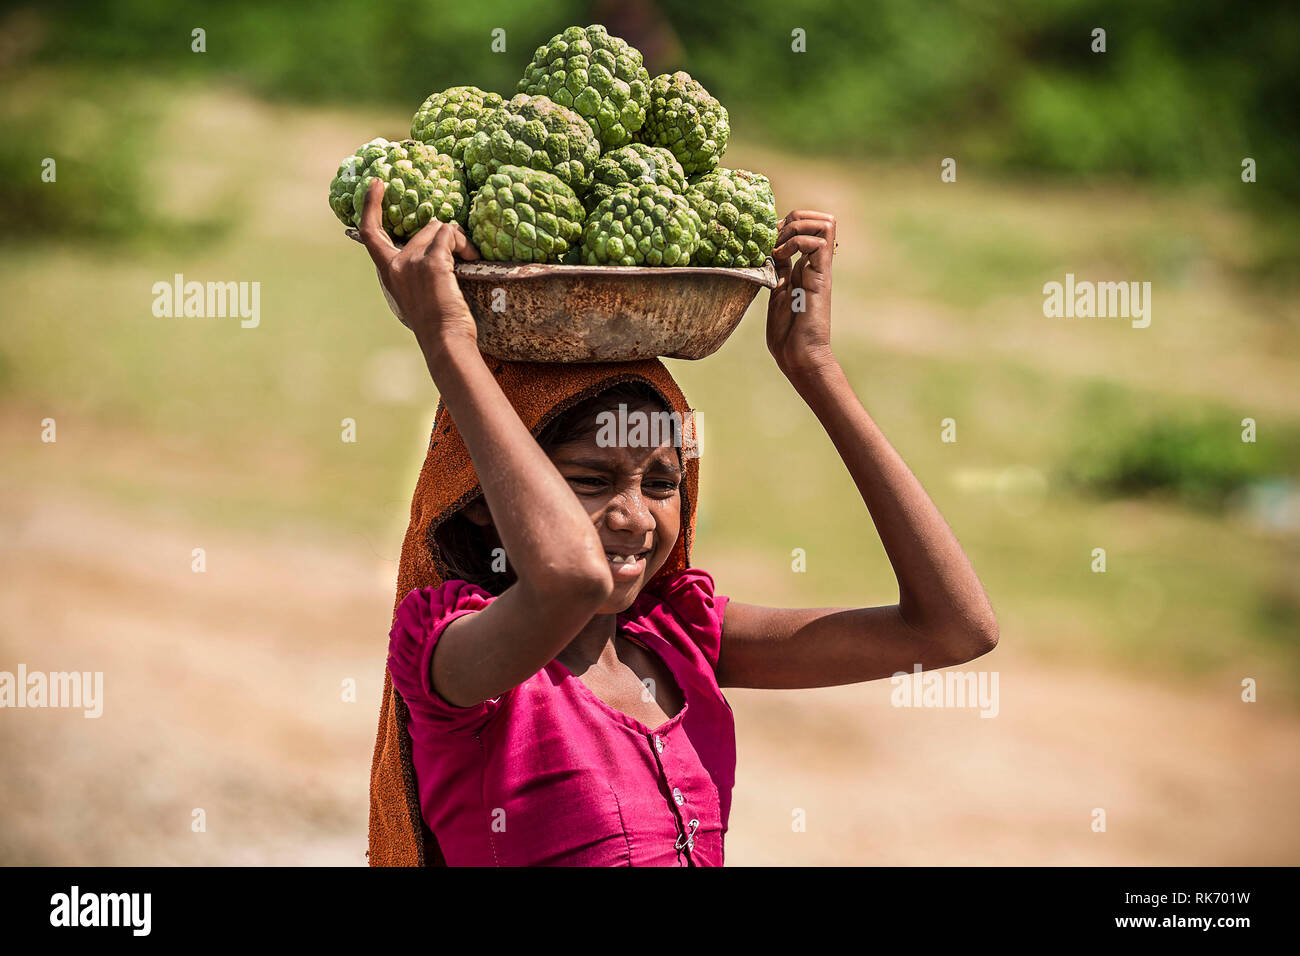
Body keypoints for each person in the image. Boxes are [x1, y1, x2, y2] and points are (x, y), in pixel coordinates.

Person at [359, 178, 999, 866]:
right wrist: (450, 343)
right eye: (590, 481)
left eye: (663, 483)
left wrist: (814, 367)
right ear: (486, 495)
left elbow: (954, 629)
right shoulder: (456, 659)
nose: (634, 517)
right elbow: (569, 577)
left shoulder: (679, 642)